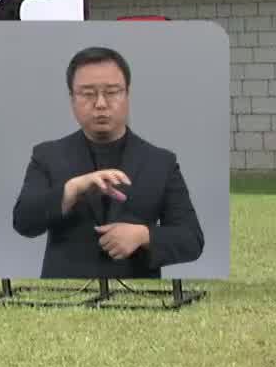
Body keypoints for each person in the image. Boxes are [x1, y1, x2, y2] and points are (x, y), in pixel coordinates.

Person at [11, 45, 205, 279]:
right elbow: (23, 222)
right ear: (72, 99)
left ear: (127, 95)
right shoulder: (47, 156)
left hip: (137, 299)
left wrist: (143, 236)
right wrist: (72, 189)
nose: (101, 103)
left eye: (112, 92)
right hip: (62, 298)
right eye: (88, 94)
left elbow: (191, 239)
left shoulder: (161, 162)